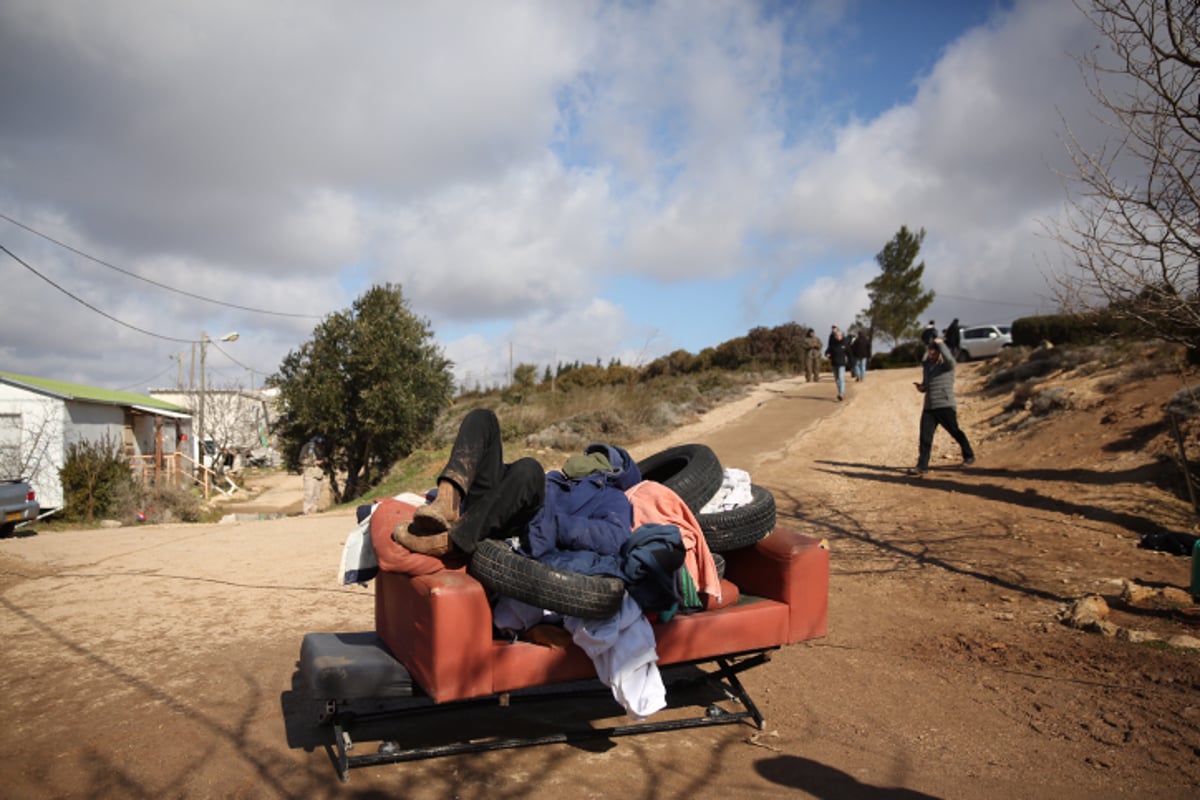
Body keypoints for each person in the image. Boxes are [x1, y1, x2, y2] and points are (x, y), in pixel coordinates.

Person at [394, 408, 640, 559]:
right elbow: (514, 483)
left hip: (523, 530)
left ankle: (449, 543)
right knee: (484, 418)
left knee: (529, 468)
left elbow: (615, 536)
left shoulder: (611, 497)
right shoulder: (558, 478)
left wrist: (551, 522)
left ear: (613, 471)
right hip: (492, 511)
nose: (589, 460)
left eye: (601, 458)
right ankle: (448, 499)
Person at [908, 338, 975, 476]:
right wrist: (922, 387)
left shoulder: (947, 365)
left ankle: (968, 455)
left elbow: (950, 358)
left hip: (945, 405)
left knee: (955, 431)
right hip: (929, 407)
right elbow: (926, 383)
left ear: (940, 353)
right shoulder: (927, 367)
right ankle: (922, 466)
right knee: (925, 438)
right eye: (930, 353)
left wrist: (941, 343)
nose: (931, 356)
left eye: (934, 354)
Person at [299, 436, 325, 514]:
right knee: (309, 493)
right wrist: (314, 462)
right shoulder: (307, 448)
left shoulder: (321, 448)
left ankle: (314, 510)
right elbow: (301, 460)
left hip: (319, 473)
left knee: (317, 494)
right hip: (309, 473)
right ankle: (307, 511)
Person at [825, 326, 850, 401]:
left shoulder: (845, 344)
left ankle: (841, 394)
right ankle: (840, 392)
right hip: (834, 363)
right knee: (837, 380)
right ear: (835, 337)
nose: (839, 337)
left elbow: (849, 354)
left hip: (842, 364)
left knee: (841, 378)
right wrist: (827, 354)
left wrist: (851, 364)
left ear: (842, 336)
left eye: (840, 336)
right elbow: (827, 351)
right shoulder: (832, 345)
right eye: (837, 336)